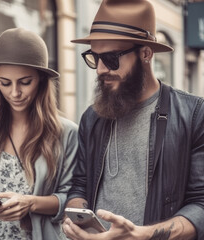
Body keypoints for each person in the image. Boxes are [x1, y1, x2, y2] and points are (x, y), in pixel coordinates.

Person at [62, 0, 204, 239]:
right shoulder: (92, 117)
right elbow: (80, 184)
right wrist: (76, 217)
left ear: (146, 54)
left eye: (111, 58)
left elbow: (200, 203)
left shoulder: (193, 114)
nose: (99, 69)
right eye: (94, 57)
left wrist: (143, 234)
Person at [0, 28, 78, 240]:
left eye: (25, 82)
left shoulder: (66, 133)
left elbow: (72, 199)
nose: (15, 93)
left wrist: (30, 203)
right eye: (5, 83)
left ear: (42, 81)